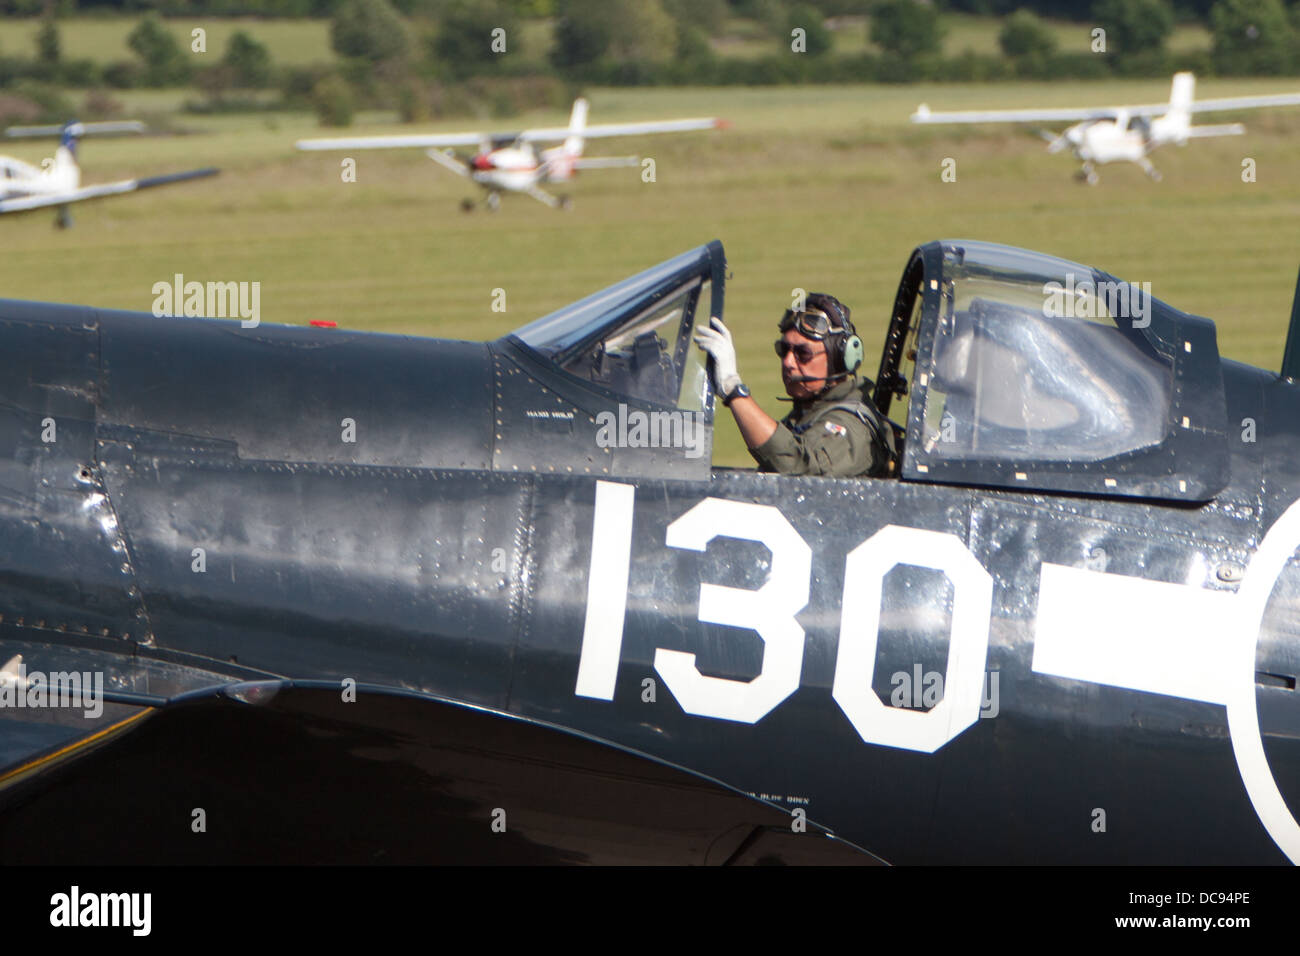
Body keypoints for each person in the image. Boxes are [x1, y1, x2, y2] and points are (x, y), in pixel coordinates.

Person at [693, 292, 895, 478]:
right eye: (783, 350)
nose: (788, 362)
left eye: (803, 353)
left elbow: (797, 467)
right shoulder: (810, 411)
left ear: (840, 359)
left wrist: (733, 390)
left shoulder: (851, 426)